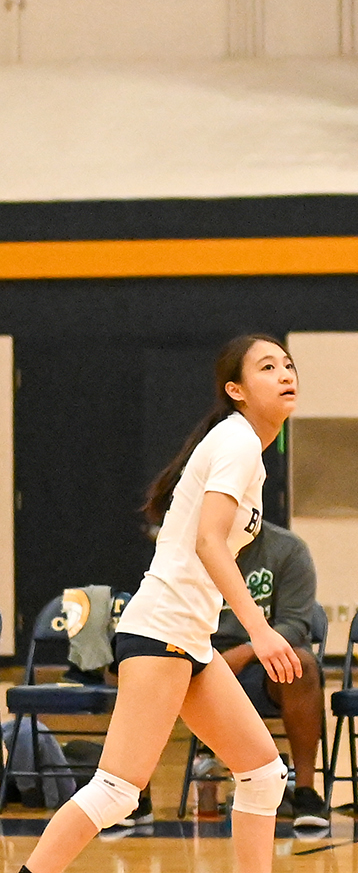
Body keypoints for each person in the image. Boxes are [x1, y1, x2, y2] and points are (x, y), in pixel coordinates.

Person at [19, 334, 302, 873]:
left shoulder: (245, 448)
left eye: (288, 364)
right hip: (162, 629)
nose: (286, 373)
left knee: (264, 774)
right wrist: (259, 630)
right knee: (118, 790)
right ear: (236, 389)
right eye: (268, 367)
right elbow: (208, 541)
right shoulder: (237, 441)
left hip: (189, 636)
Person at [208, 519, 327, 828]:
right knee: (147, 663)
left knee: (302, 666)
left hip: (263, 661)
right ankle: (136, 795)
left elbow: (295, 625)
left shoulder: (287, 549)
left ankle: (305, 791)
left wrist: (245, 651)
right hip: (203, 657)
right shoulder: (190, 546)